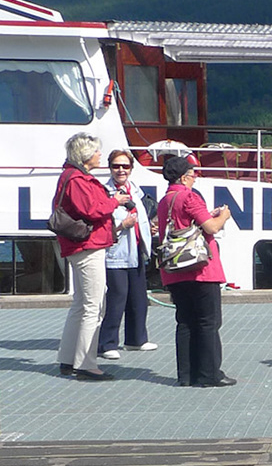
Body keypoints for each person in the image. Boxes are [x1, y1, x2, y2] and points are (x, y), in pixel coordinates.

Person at [157, 151, 236, 387]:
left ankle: (186, 375)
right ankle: (209, 374)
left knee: (185, 322)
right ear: (183, 178)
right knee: (208, 322)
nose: (193, 179)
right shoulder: (189, 197)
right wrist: (223, 216)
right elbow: (211, 228)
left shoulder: (164, 201)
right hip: (200, 269)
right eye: (192, 175)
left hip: (175, 270)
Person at [54, 133, 120, 380]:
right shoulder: (78, 179)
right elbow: (92, 210)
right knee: (93, 305)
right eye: (96, 151)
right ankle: (86, 364)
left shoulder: (70, 176)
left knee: (81, 304)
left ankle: (68, 359)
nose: (100, 155)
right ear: (86, 155)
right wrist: (115, 202)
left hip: (78, 247)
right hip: (87, 246)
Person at [97, 149, 155, 361]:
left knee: (138, 297)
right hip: (116, 252)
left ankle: (136, 339)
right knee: (117, 298)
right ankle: (107, 343)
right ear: (110, 168)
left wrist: (148, 227)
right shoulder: (104, 192)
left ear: (131, 168)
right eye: (116, 166)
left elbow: (141, 216)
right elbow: (101, 225)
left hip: (137, 250)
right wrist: (122, 225)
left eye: (125, 166)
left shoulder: (135, 190)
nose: (121, 170)